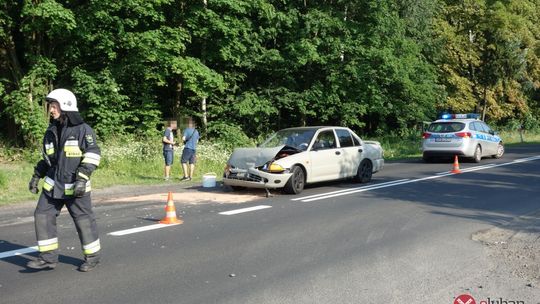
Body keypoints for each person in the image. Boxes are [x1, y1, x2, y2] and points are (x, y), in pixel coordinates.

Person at [27, 88, 102, 272]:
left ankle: (92, 257)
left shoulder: (83, 130)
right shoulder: (51, 131)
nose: (51, 110)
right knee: (42, 215)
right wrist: (37, 175)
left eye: (54, 106)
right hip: (53, 186)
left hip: (76, 186)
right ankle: (48, 258)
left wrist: (82, 179)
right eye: (51, 106)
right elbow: (48, 159)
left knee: (83, 220)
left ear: (66, 106)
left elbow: (93, 154)